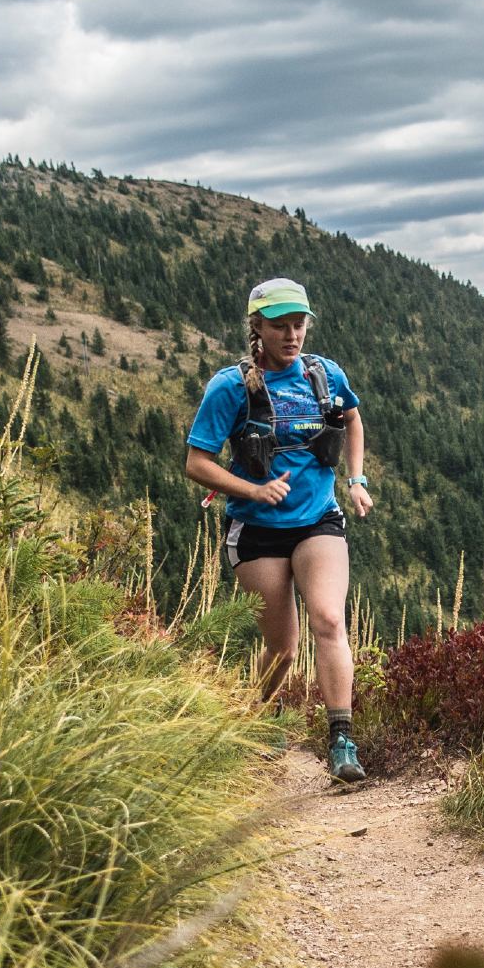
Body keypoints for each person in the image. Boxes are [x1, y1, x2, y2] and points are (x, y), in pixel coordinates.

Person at [184, 277, 376, 784]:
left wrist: (355, 480)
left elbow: (352, 421)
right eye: (280, 326)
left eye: (299, 325)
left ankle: (341, 740)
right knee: (284, 647)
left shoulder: (324, 374)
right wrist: (252, 491)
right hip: (257, 530)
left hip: (318, 520)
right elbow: (197, 463)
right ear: (258, 329)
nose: (292, 335)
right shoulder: (231, 387)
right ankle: (258, 723)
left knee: (330, 620)